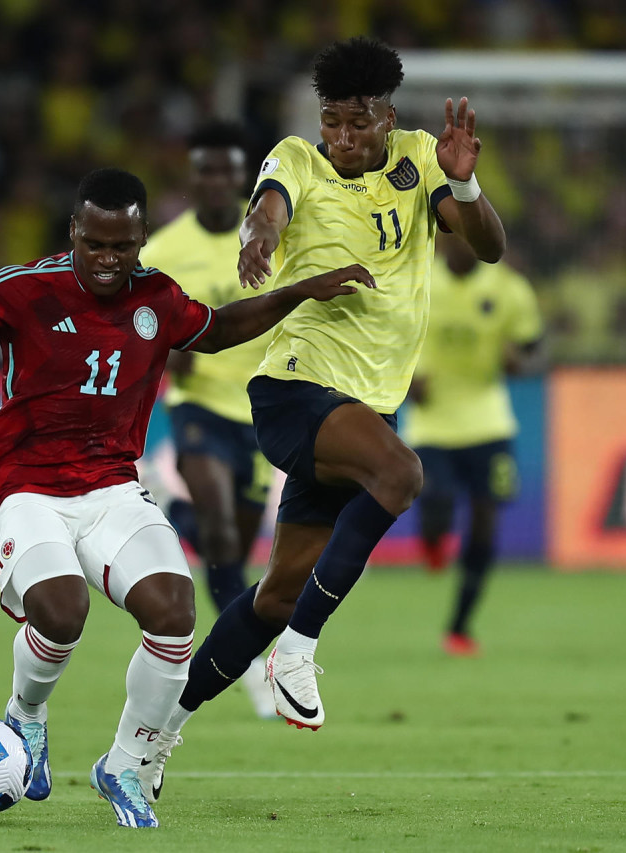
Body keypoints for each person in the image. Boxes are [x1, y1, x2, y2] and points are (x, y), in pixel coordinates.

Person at [0, 168, 370, 828]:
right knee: (63, 607)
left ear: (140, 239)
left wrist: (300, 291)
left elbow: (215, 329)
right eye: (95, 244)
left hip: (111, 485)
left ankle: (125, 765)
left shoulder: (156, 297)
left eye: (123, 247)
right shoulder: (23, 288)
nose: (108, 261)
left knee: (174, 609)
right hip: (23, 486)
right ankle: (27, 715)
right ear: (74, 231)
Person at [141, 36, 508, 798]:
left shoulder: (418, 159)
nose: (344, 137)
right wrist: (258, 241)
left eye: (358, 122)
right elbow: (268, 211)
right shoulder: (295, 160)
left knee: (274, 593)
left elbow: (491, 248)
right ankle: (300, 649)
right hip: (295, 389)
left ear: (388, 116)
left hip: (367, 405)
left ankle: (148, 739)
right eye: (333, 121)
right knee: (401, 474)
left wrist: (467, 190)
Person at [141, 121, 274, 718]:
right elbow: (136, 324)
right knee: (221, 532)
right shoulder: (163, 252)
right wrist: (164, 351)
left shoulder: (275, 238)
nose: (217, 181)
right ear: (193, 180)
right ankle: (243, 664)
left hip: (262, 405)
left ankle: (174, 513)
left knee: (234, 550)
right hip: (197, 405)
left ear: (243, 179)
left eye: (227, 171)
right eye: (206, 171)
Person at [404, 233, 543, 657]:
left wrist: (519, 363)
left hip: (489, 422)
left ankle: (460, 626)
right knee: (437, 499)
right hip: (432, 423)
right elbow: (388, 340)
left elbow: (534, 351)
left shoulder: (509, 290)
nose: (458, 244)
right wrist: (408, 382)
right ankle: (431, 543)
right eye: (450, 236)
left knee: (486, 523)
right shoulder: (418, 280)